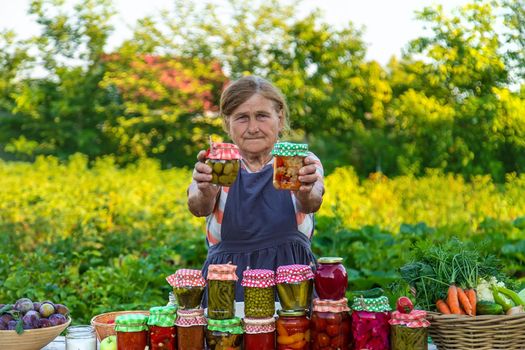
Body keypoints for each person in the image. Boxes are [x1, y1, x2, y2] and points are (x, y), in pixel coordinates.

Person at [187, 75, 325, 301]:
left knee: (294, 337)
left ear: (279, 119)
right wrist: (204, 191)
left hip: (292, 288)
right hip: (226, 289)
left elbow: (312, 201)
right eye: (242, 118)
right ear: (227, 124)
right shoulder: (219, 162)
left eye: (261, 116)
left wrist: (305, 190)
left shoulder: (299, 161)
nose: (253, 128)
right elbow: (197, 206)